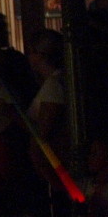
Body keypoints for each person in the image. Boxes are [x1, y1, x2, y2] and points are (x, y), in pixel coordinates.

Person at [26, 29, 69, 160]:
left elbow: (42, 133)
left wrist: (13, 115)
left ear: (40, 55)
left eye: (31, 52)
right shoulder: (54, 82)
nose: (28, 57)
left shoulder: (52, 86)